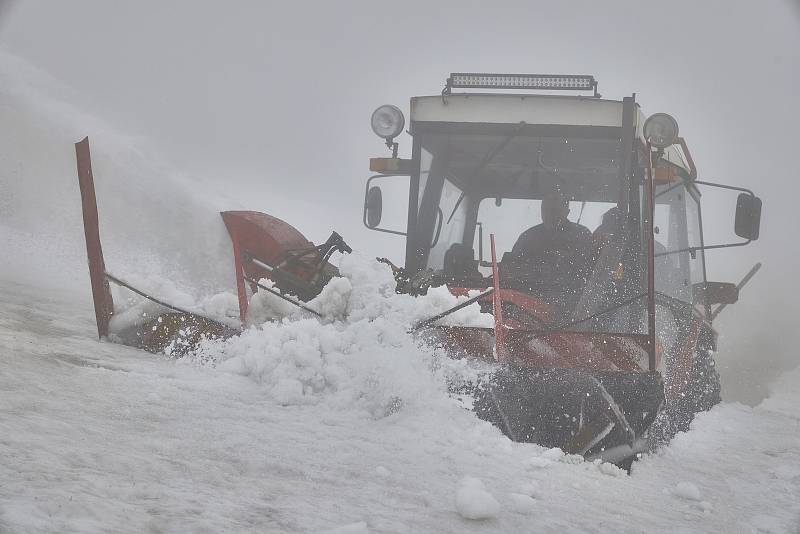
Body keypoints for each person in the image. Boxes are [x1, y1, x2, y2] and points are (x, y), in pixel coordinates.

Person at [505, 191, 594, 311]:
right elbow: (513, 269)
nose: (549, 214)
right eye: (545, 209)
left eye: (554, 210)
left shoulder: (582, 236)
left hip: (573, 305)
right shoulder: (528, 237)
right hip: (528, 301)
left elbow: (590, 272)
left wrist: (565, 260)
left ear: (567, 212)